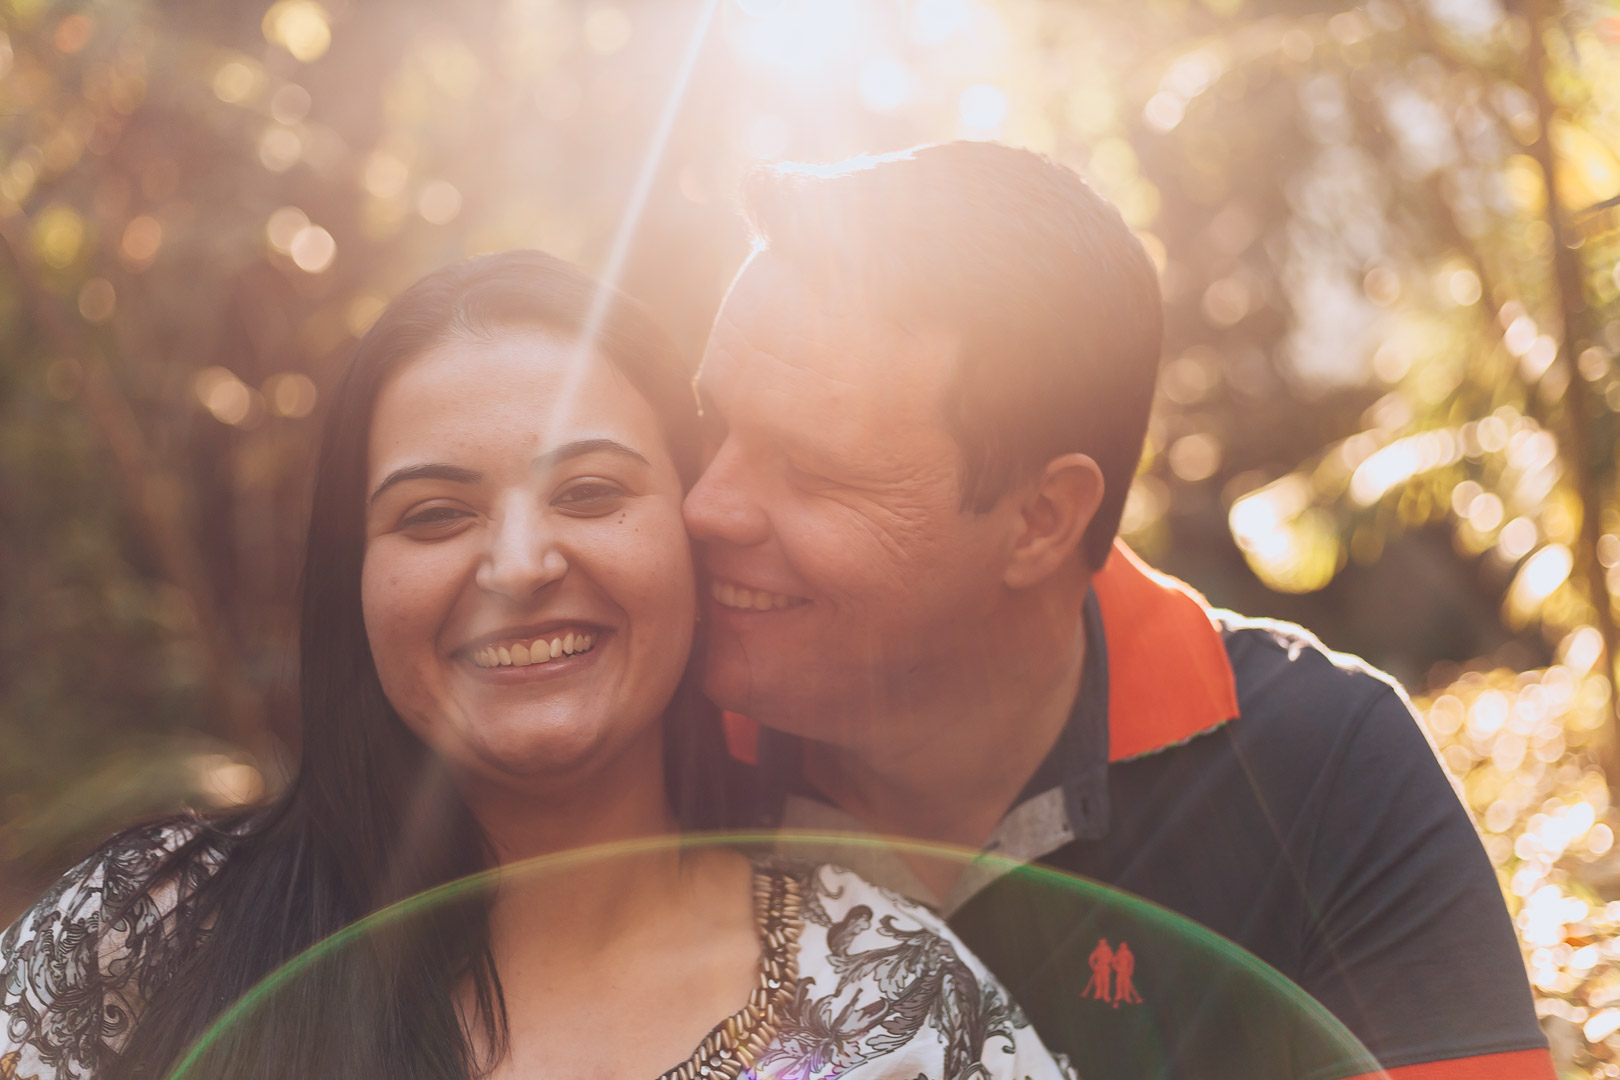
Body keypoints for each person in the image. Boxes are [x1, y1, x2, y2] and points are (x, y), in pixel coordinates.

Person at [0, 251, 1071, 1080]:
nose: (518, 563)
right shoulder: (139, 939)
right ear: (352, 584)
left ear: (695, 532)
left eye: (591, 493)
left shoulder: (894, 1002)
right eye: (433, 515)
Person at [684, 142, 1554, 1079]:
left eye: (813, 471)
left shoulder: (1318, 764)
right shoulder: (646, 755)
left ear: (1041, 520)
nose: (706, 506)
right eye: (712, 429)